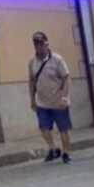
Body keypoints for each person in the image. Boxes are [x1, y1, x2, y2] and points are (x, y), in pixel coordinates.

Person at [28, 31, 73, 164]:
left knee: (63, 129)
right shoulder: (32, 62)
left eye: (41, 44)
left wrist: (64, 96)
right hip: (42, 102)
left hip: (58, 102)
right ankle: (53, 149)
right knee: (44, 128)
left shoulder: (57, 60)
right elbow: (31, 81)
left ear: (47, 44)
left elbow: (66, 78)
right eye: (36, 44)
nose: (39, 47)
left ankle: (66, 153)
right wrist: (32, 99)